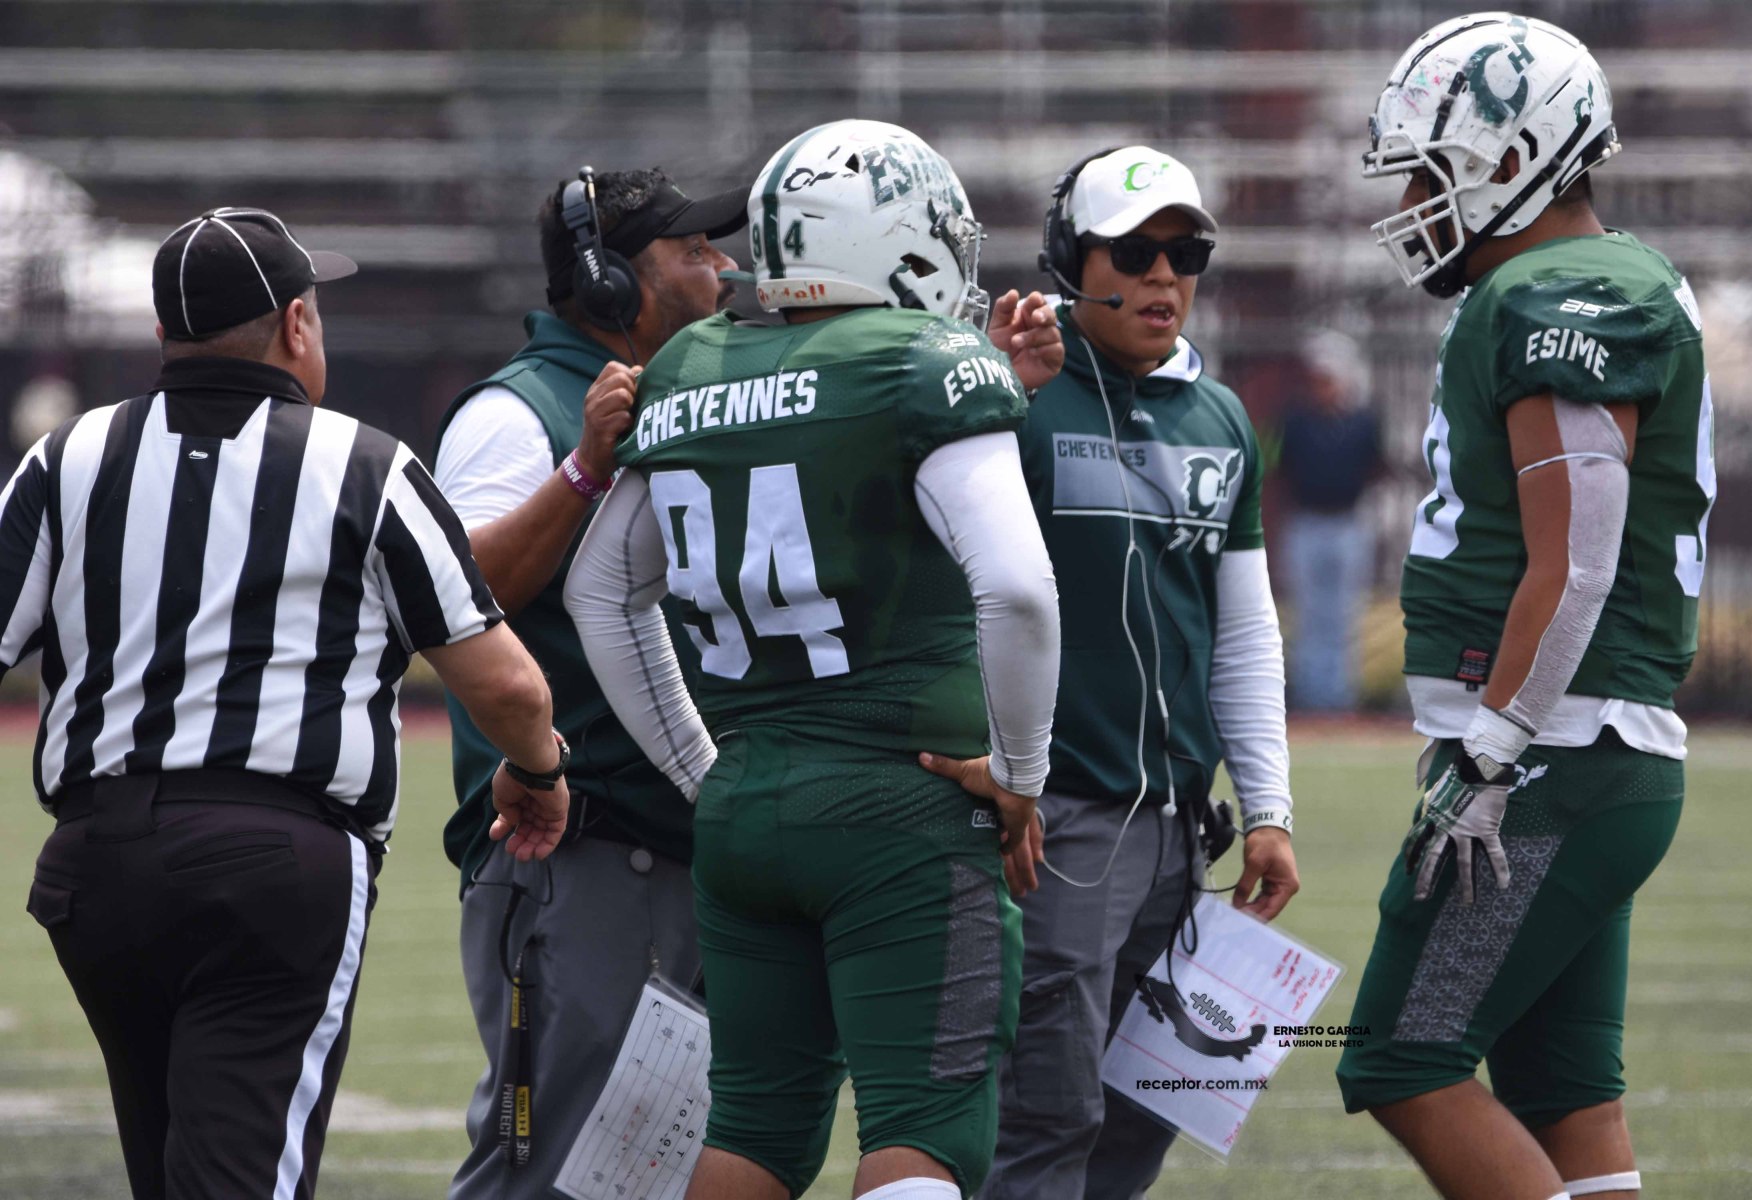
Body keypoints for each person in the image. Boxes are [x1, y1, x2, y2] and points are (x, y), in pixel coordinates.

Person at [2, 207, 569, 1200]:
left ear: (164, 333)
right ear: (297, 322)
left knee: (174, 1167)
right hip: (275, 864)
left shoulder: (69, 455)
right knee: (241, 1176)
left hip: (97, 865)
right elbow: (509, 685)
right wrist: (538, 770)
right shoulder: (365, 463)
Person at [564, 119, 1065, 1200]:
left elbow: (601, 591)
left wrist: (702, 770)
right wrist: (1022, 774)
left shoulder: (688, 364)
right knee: (925, 1129)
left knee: (754, 1130)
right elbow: (1019, 588)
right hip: (902, 808)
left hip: (748, 812)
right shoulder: (923, 360)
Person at [1338, 15, 1711, 1200]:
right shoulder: (1566, 280)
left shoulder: (1563, 289)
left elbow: (1580, 559)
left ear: (1512, 159)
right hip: (1582, 749)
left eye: (1429, 173)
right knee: (1564, 1097)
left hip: (1554, 754)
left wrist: (1493, 749)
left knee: (1403, 1060)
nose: (1412, 202)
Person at [960, 145, 1300, 1200]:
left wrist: (1269, 807)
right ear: (1072, 261)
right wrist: (985, 390)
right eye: (1135, 251)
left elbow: (1243, 630)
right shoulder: (1010, 391)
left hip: (1181, 832)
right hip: (1054, 821)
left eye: (1185, 253)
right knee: (1044, 1119)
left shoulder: (1221, 415)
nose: (1163, 275)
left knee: (1155, 1112)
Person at [432, 166, 745, 1199]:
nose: (721, 267)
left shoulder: (695, 394)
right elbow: (456, 591)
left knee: (650, 1179)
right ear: (610, 279)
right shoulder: (515, 410)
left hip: (687, 846)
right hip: (579, 853)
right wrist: (582, 469)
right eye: (692, 250)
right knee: (549, 1168)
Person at [1277, 329, 1385, 713]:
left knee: (1343, 613)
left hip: (1348, 523)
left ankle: (1339, 697)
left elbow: (1375, 466)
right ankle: (1310, 695)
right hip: (1306, 522)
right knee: (1308, 612)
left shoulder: (1363, 421)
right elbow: (1283, 467)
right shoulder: (1295, 421)